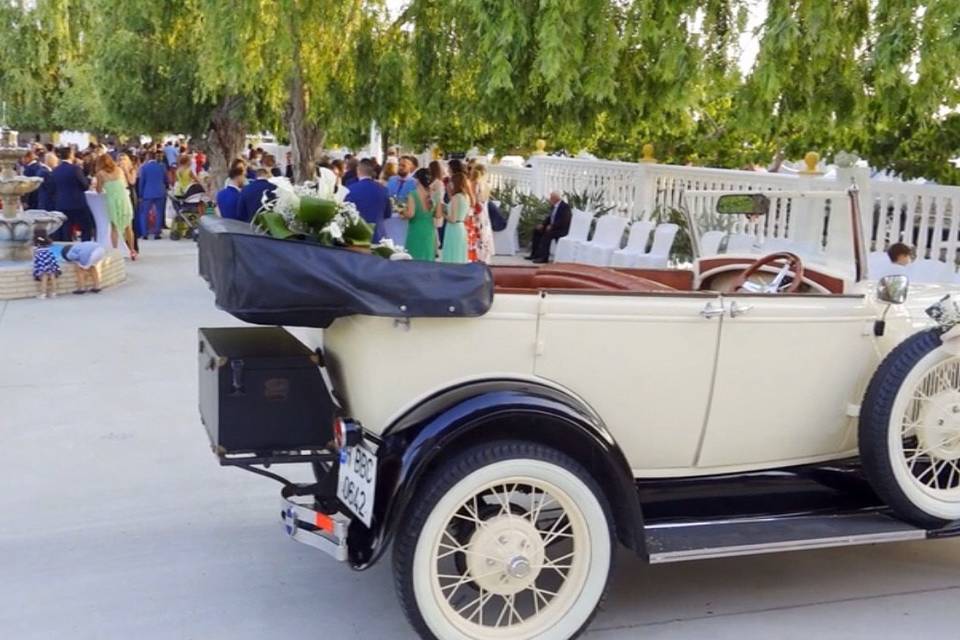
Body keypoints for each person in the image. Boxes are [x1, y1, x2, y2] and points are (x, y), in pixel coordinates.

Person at [95, 154, 137, 260]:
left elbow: (98, 190)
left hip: (112, 201)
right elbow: (125, 183)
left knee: (114, 227)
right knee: (128, 227)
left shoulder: (100, 174)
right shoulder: (119, 170)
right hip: (124, 199)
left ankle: (115, 252)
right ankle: (132, 250)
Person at [51, 146, 95, 241]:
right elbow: (84, 185)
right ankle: (85, 247)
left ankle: (67, 248)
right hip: (77, 203)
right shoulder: (75, 169)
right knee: (86, 227)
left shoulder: (55, 170)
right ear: (71, 155)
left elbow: (53, 188)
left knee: (66, 229)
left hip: (61, 203)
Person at [344, 159, 391, 241]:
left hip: (357, 236)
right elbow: (387, 214)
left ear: (358, 171)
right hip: (378, 235)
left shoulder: (350, 189)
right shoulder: (383, 190)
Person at [401, 168, 437, 261]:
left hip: (416, 230)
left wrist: (402, 213)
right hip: (429, 230)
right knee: (427, 258)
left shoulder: (413, 195)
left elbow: (411, 214)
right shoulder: (434, 195)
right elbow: (439, 215)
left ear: (417, 180)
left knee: (414, 258)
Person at [528, 191, 572, 263]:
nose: (549, 199)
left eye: (551, 198)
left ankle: (544, 258)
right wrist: (543, 225)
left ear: (555, 199)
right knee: (536, 231)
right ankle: (535, 254)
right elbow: (549, 218)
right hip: (552, 228)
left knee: (547, 235)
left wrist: (553, 226)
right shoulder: (553, 206)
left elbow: (564, 221)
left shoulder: (565, 207)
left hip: (561, 230)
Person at [137, 151, 168, 240]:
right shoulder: (162, 167)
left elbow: (142, 182)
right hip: (160, 192)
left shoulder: (144, 167)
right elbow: (166, 180)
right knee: (159, 212)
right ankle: (157, 232)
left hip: (147, 193)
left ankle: (144, 233)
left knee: (144, 213)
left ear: (147, 158)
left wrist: (140, 194)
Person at [440, 173, 471, 263]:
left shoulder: (455, 197)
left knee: (451, 253)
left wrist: (443, 213)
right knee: (459, 254)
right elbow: (466, 217)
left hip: (453, 229)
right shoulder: (466, 197)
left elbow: (452, 219)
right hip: (461, 228)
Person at [470, 163, 495, 262]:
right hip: (484, 214)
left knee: (477, 237)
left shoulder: (475, 184)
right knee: (484, 235)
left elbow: (473, 200)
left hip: (476, 213)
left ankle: (478, 257)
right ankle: (485, 257)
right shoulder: (486, 185)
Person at [32, 229, 61, 299]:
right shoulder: (47, 240)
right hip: (49, 258)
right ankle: (54, 293)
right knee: (52, 275)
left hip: (41, 259)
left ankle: (43, 294)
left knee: (44, 277)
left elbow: (34, 253)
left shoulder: (35, 242)